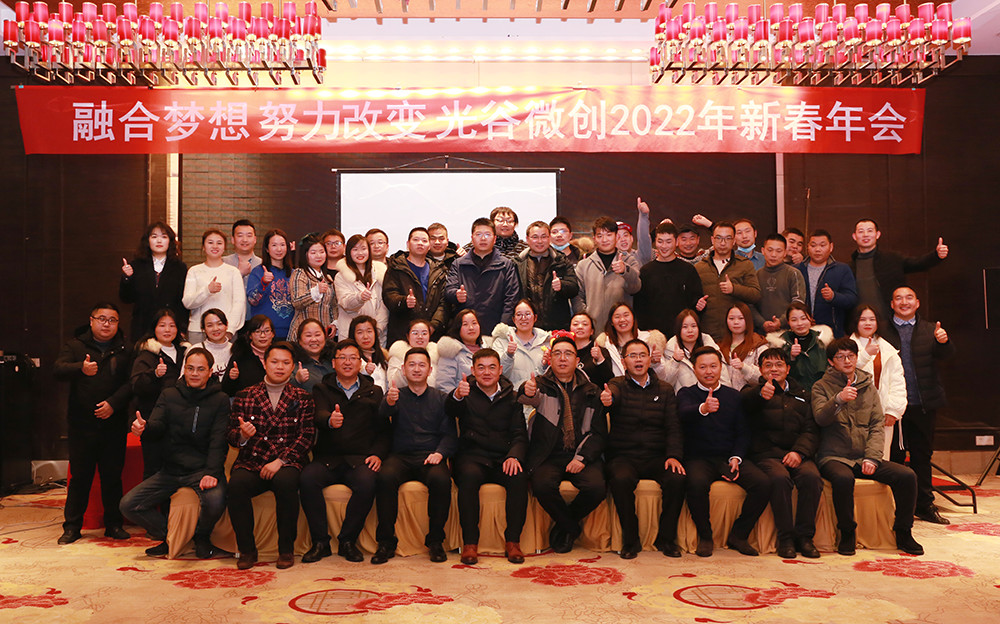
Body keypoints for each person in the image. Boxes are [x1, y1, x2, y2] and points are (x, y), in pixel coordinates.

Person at [812, 337, 924, 556]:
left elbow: (876, 425)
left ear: (857, 358)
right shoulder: (821, 386)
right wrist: (838, 399)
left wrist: (872, 457)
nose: (847, 361)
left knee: (907, 476)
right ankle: (847, 532)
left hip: (864, 455)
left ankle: (904, 532)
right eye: (840, 357)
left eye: (851, 356)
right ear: (831, 362)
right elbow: (820, 419)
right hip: (834, 456)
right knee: (843, 479)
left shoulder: (868, 386)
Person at [120, 348, 230, 559]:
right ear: (184, 370)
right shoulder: (169, 394)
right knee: (129, 505)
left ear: (210, 372)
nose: (194, 373)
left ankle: (201, 537)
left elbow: (219, 440)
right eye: (190, 368)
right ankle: (171, 535)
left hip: (202, 470)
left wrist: (212, 472)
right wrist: (145, 428)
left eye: (200, 369)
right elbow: (158, 425)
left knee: (216, 501)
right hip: (170, 470)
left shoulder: (220, 399)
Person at [227, 342, 315, 569]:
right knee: (236, 485)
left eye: (286, 363)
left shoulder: (302, 397)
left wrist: (281, 461)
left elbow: (306, 437)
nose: (280, 367)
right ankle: (247, 550)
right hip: (253, 460)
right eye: (274, 362)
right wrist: (243, 436)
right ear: (264, 364)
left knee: (286, 483)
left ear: (293, 367)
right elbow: (231, 435)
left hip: (286, 461)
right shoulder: (245, 395)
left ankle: (286, 550)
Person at [676, 347, 770, 557]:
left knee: (762, 483)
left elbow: (743, 431)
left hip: (728, 456)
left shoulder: (733, 396)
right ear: (694, 369)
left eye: (713, 366)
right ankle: (705, 536)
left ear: (721, 368)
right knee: (696, 483)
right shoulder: (686, 393)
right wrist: (703, 408)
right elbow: (683, 413)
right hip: (698, 457)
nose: (708, 371)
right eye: (703, 367)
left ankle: (739, 535)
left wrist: (736, 457)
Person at [301, 339, 388, 564]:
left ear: (360, 363)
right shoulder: (321, 388)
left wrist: (378, 454)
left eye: (352, 358)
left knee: (368, 482)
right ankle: (320, 542)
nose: (347, 362)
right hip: (328, 457)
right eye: (342, 358)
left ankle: (347, 541)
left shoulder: (374, 391)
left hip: (359, 459)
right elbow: (318, 415)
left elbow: (383, 430)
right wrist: (329, 420)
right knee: (307, 478)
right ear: (334, 363)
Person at [54, 302, 133, 545]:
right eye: (102, 319)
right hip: (82, 425)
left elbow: (132, 383)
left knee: (112, 477)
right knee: (80, 477)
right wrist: (81, 368)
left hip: (114, 423)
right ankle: (72, 526)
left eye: (112, 320)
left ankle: (114, 524)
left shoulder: (126, 349)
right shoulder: (76, 346)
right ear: (91, 321)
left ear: (118, 324)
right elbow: (58, 370)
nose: (107, 324)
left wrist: (113, 404)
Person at [519, 336, 607, 553]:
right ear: (550, 359)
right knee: (541, 486)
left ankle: (564, 526)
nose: (562, 358)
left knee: (597, 488)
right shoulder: (541, 385)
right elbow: (525, 396)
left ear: (577, 360)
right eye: (557, 353)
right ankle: (571, 528)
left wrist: (581, 458)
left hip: (581, 455)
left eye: (568, 354)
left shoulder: (591, 391)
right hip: (548, 455)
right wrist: (525, 390)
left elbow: (598, 433)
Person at [600, 339, 686, 559]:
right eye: (632, 356)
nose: (638, 360)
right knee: (620, 479)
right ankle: (630, 540)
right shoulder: (617, 384)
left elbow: (673, 427)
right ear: (623, 362)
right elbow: (613, 394)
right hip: (623, 456)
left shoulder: (665, 390)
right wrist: (608, 399)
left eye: (642, 355)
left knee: (677, 478)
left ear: (650, 359)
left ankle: (666, 539)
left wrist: (673, 455)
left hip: (656, 456)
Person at [371, 348, 457, 564]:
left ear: (430, 370)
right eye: (412, 364)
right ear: (403, 369)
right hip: (400, 456)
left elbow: (450, 434)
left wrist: (440, 453)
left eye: (421, 365)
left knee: (441, 479)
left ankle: (435, 541)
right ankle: (386, 542)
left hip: (430, 456)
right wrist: (389, 402)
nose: (416, 369)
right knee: (385, 477)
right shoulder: (395, 395)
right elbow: (382, 414)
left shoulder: (441, 398)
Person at [447, 349, 529, 565]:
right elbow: (450, 410)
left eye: (492, 367)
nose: (486, 372)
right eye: (481, 368)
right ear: (473, 370)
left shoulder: (512, 397)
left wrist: (514, 456)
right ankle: (470, 543)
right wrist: (457, 395)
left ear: (500, 370)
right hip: (472, 456)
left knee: (518, 477)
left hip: (503, 457)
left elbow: (519, 434)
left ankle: (513, 542)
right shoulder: (465, 392)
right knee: (468, 477)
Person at [883, 286, 955, 525]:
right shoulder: (882, 330)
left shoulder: (930, 329)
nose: (904, 302)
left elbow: (947, 355)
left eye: (909, 298)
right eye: (898, 298)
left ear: (917, 303)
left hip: (922, 404)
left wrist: (943, 342)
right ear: (892, 304)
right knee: (893, 457)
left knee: (922, 456)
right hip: (893, 407)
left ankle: (924, 505)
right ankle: (894, 506)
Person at [741, 348, 822, 559]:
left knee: (812, 477)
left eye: (779, 365)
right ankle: (785, 538)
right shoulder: (751, 391)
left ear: (788, 368)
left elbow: (811, 430)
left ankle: (805, 538)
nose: (774, 369)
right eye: (768, 365)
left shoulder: (802, 394)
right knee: (779, 479)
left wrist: (799, 452)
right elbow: (745, 404)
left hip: (797, 453)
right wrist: (760, 395)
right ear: (760, 369)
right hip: (766, 454)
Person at [849, 218, 948, 322]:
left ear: (877, 234)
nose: (865, 235)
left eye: (870, 231)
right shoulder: (849, 267)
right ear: (854, 236)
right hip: (861, 322)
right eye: (861, 231)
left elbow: (917, 264)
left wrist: (936, 255)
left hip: (892, 321)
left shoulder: (892, 259)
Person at [130, 309, 189, 478]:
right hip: (154, 420)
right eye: (162, 325)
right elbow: (136, 386)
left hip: (181, 421)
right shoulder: (147, 354)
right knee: (154, 470)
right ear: (154, 328)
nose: (167, 330)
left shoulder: (186, 352)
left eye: (172, 325)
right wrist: (154, 374)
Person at [850, 305, 907, 461]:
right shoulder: (846, 346)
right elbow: (844, 374)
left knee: (880, 458)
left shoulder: (888, 349)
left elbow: (897, 383)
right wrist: (865, 355)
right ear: (856, 322)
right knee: (855, 458)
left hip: (881, 413)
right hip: (853, 414)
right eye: (863, 319)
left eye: (872, 319)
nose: (868, 323)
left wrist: (893, 410)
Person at [445, 218, 520, 335]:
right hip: (465, 329)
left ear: (494, 239)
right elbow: (449, 290)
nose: (483, 238)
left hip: (495, 328)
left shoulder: (506, 265)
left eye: (487, 235)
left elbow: (511, 299)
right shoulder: (459, 264)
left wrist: (503, 328)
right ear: (472, 238)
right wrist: (456, 294)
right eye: (479, 234)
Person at [119, 221, 189, 343]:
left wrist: (182, 327)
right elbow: (126, 298)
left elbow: (182, 302)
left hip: (169, 328)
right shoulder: (136, 265)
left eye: (164, 237)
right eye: (154, 236)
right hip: (142, 326)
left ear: (170, 241)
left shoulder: (180, 267)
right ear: (147, 241)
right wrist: (127, 278)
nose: (159, 241)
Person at [634, 221, 704, 338]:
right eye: (660, 241)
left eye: (668, 241)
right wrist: (646, 333)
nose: (664, 246)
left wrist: (699, 306)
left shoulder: (688, 269)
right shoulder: (646, 271)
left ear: (676, 242)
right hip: (653, 336)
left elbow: (696, 301)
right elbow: (640, 307)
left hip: (682, 335)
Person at [573, 216, 642, 332]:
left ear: (616, 236)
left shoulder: (629, 261)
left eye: (609, 235)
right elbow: (577, 296)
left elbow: (635, 288)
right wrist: (586, 317)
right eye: (600, 236)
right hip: (593, 329)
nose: (604, 240)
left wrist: (625, 271)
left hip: (622, 328)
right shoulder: (583, 265)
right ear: (594, 238)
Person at [695, 221, 761, 340]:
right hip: (707, 334)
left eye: (728, 238)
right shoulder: (700, 267)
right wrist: (696, 304)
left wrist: (734, 289)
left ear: (734, 241)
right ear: (712, 240)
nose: (723, 243)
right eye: (719, 238)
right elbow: (691, 298)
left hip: (737, 334)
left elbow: (755, 295)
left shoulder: (745, 265)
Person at [383, 226, 449, 344]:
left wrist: (433, 325)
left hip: (432, 336)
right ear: (408, 244)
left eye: (424, 241)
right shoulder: (396, 267)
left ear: (429, 246)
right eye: (416, 240)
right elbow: (389, 296)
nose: (420, 243)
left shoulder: (439, 271)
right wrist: (404, 301)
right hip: (402, 334)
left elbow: (443, 303)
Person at [513, 221, 580, 331]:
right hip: (527, 325)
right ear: (527, 239)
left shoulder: (561, 260)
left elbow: (574, 288)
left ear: (549, 238)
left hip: (556, 326)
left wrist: (562, 285)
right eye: (535, 237)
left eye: (544, 237)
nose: (540, 241)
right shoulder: (518, 263)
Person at [182, 229, 246, 343]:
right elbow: (187, 302)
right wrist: (207, 291)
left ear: (224, 247)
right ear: (203, 247)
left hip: (225, 330)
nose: (215, 246)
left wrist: (230, 329)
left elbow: (239, 303)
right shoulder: (194, 271)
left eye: (219, 243)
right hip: (198, 330)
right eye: (210, 242)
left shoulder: (233, 272)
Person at [795, 229, 858, 337]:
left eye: (822, 245)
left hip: (831, 332)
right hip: (800, 330)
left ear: (831, 247)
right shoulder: (797, 270)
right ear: (807, 247)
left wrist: (834, 296)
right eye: (813, 245)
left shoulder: (842, 269)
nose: (817, 249)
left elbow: (852, 300)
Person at [335, 234, 389, 346]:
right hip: (350, 333)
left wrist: (377, 329)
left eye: (363, 249)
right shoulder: (341, 276)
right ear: (348, 252)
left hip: (377, 334)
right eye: (355, 250)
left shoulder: (380, 273)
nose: (360, 253)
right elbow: (345, 303)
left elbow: (384, 306)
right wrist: (359, 298)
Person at [767, 302, 834, 391]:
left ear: (810, 318)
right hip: (793, 393)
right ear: (788, 322)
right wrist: (791, 357)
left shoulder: (823, 340)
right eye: (794, 320)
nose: (799, 323)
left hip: (821, 391)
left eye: (803, 318)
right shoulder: (780, 344)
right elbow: (780, 375)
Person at [492, 300, 551, 398]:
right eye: (519, 315)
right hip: (511, 398)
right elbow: (497, 375)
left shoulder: (547, 342)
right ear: (513, 319)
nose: (523, 318)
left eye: (527, 314)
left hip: (540, 399)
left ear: (535, 317)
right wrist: (508, 355)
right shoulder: (501, 341)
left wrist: (545, 365)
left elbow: (552, 378)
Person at [595, 303, 667, 380]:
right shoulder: (604, 345)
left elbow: (663, 378)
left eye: (626, 315)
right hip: (616, 386)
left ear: (633, 318)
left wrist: (656, 364)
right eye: (617, 317)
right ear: (611, 322)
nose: (622, 320)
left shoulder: (649, 340)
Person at [246, 229, 294, 342]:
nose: (279, 249)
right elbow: (252, 301)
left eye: (282, 245)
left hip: (290, 333)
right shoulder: (258, 272)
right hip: (264, 335)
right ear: (267, 249)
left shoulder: (294, 274)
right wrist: (263, 283)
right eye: (274, 245)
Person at [663, 310, 729, 390]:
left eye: (693, 326)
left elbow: (725, 380)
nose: (690, 330)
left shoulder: (711, 348)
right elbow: (666, 383)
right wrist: (675, 361)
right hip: (685, 397)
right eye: (685, 327)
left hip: (712, 395)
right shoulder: (670, 351)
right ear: (678, 329)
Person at [754, 233, 807, 334]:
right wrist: (762, 323)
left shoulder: (793, 273)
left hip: (789, 332)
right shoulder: (756, 275)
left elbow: (798, 302)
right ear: (763, 251)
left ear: (785, 253)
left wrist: (781, 321)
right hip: (761, 332)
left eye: (778, 251)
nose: (774, 255)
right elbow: (751, 305)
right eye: (770, 250)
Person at [436, 309, 494, 395]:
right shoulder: (450, 351)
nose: (471, 328)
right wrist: (458, 396)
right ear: (458, 328)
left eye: (474, 323)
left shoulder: (490, 347)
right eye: (465, 324)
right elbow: (443, 386)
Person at [289, 235, 336, 340]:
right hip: (303, 334)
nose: (318, 256)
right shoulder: (300, 273)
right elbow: (296, 302)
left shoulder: (328, 278)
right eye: (313, 253)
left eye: (322, 252)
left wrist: (334, 323)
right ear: (305, 255)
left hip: (323, 334)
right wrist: (315, 291)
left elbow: (333, 305)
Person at [718, 302, 768, 391]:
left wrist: (744, 367)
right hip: (724, 396)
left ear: (748, 320)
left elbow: (765, 376)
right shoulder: (719, 347)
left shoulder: (758, 345)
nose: (736, 322)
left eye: (741, 318)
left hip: (750, 396)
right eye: (731, 318)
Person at [222, 315, 274, 396]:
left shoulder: (280, 353)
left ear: (273, 334)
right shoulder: (240, 355)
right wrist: (232, 378)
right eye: (257, 331)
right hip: (248, 401)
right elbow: (226, 390)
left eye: (267, 331)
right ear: (250, 335)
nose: (263, 336)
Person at [387, 319, 440, 388]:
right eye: (415, 333)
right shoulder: (398, 353)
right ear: (408, 336)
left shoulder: (436, 355)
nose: (420, 337)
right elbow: (392, 384)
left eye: (424, 333)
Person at [570, 312, 614, 388]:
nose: (580, 327)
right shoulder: (565, 351)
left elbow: (609, 380)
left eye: (585, 324)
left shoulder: (601, 351)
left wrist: (600, 359)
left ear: (592, 331)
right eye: (575, 324)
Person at [189, 309, 232, 383]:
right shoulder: (195, 349)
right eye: (210, 325)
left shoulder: (235, 349)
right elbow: (184, 378)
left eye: (219, 324)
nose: (215, 329)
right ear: (203, 329)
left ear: (226, 325)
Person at [292, 319, 333, 394]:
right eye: (308, 335)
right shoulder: (292, 364)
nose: (314, 339)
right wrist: (297, 380)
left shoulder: (334, 360)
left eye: (317, 335)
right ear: (299, 340)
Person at [350, 315, 389, 391]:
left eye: (369, 331)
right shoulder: (350, 359)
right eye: (360, 332)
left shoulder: (384, 357)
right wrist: (364, 371)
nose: (365, 336)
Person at [223, 219, 261, 286]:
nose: (245, 240)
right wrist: (240, 273)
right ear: (233, 240)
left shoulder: (262, 264)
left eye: (249, 236)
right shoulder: (223, 263)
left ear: (255, 239)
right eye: (240, 235)